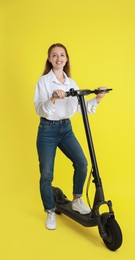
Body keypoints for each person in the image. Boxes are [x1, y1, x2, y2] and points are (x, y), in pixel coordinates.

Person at [34, 43, 107, 230]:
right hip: (47, 130)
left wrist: (98, 98)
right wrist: (52, 98)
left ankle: (77, 199)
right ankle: (50, 211)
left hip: (66, 129)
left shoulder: (71, 83)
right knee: (47, 174)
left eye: (62, 55)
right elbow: (39, 109)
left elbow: (81, 109)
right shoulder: (43, 82)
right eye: (54, 55)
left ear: (66, 59)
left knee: (82, 163)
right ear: (49, 59)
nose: (59, 58)